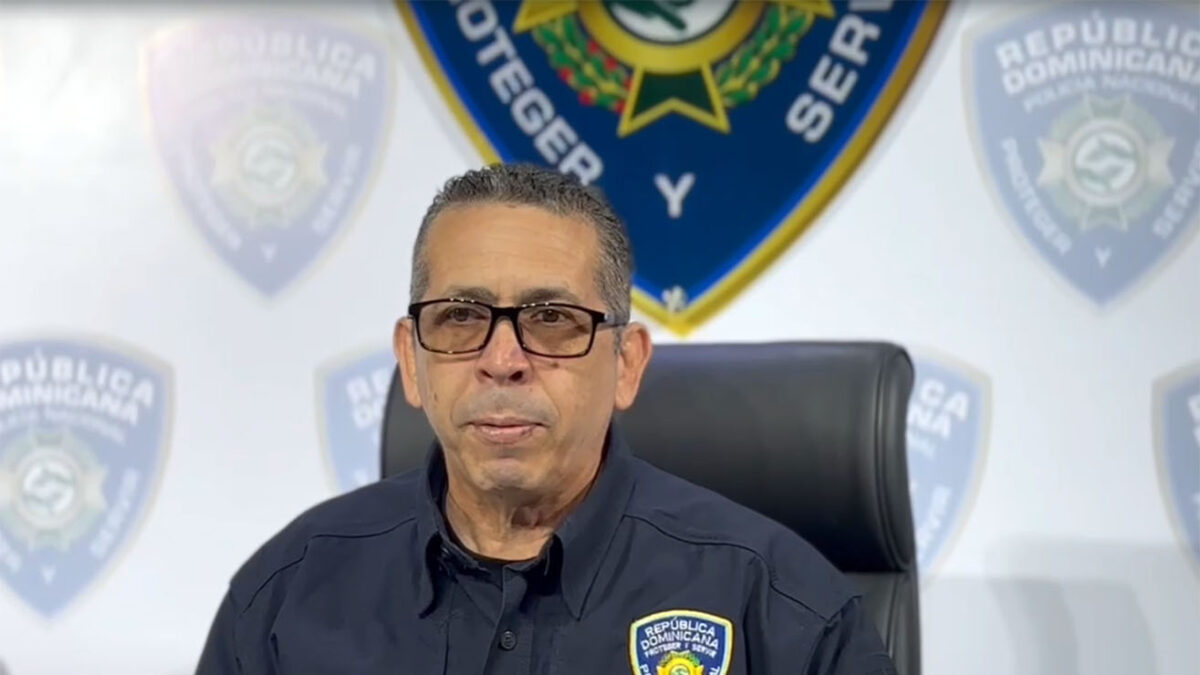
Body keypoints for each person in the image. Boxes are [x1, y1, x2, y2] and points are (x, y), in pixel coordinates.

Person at [197, 163, 896, 674]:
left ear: (626, 363)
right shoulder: (286, 595)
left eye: (552, 319)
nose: (503, 360)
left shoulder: (779, 608)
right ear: (411, 360)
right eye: (461, 316)